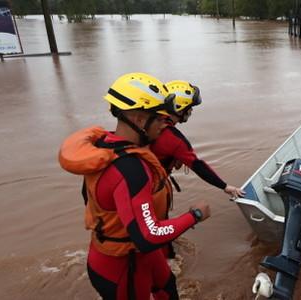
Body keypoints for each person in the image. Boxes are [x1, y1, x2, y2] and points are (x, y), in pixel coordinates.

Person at [59, 72, 211, 300]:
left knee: (168, 287)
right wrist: (195, 215)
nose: (165, 124)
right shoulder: (131, 169)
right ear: (139, 119)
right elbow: (148, 235)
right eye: (159, 118)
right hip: (122, 268)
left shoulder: (106, 147)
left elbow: (90, 199)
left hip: (141, 256)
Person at [150, 80, 245, 199]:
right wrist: (225, 186)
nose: (191, 111)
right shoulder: (175, 139)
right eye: (189, 107)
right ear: (179, 108)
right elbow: (197, 165)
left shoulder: (149, 125)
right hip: (152, 189)